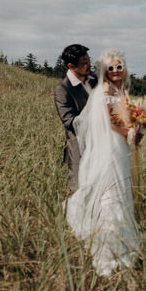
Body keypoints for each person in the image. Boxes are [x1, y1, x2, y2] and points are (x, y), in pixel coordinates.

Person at [64, 49, 143, 276]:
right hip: (109, 150)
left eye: (119, 66)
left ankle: (125, 246)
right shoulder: (105, 92)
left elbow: (125, 118)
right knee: (111, 195)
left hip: (120, 148)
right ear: (104, 72)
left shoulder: (121, 91)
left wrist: (136, 130)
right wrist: (128, 131)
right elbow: (109, 123)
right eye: (111, 68)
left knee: (122, 191)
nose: (116, 71)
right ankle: (108, 252)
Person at [54, 44, 94, 192]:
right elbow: (69, 121)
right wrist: (97, 116)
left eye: (89, 61)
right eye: (84, 63)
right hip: (79, 150)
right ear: (71, 66)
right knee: (78, 191)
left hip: (100, 146)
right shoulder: (63, 90)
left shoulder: (93, 80)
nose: (89, 65)